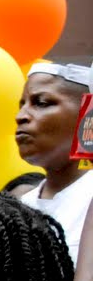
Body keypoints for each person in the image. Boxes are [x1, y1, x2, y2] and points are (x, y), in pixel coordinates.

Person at [15, 61, 93, 266]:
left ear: (87, 114)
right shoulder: (20, 206)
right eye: (22, 104)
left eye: (41, 102)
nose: (21, 116)